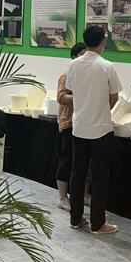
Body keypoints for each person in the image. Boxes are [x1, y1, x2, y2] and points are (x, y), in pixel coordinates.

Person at [66, 25, 121, 236]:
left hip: (79, 126)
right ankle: (98, 223)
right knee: (99, 177)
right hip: (101, 129)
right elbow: (114, 96)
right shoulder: (107, 66)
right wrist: (102, 109)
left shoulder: (74, 64)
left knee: (77, 173)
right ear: (103, 42)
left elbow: (72, 89)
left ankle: (75, 218)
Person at [55, 41, 87, 211]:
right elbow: (61, 97)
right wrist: (80, 96)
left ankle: (84, 195)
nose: (84, 58)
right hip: (69, 122)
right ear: (74, 57)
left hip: (85, 122)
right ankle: (62, 197)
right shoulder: (66, 75)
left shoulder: (89, 74)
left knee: (83, 161)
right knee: (67, 159)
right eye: (81, 54)